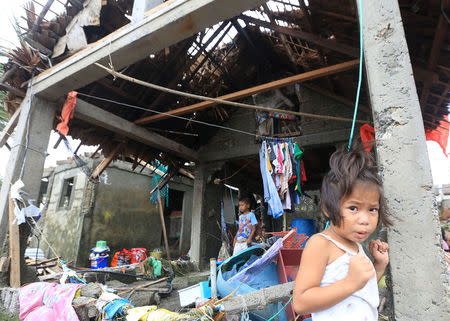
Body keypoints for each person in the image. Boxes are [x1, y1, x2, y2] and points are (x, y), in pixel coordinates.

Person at [293, 146, 392, 321]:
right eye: (353, 208)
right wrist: (350, 282)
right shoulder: (321, 244)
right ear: (327, 209)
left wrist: (379, 266)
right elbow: (301, 303)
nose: (365, 219)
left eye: (372, 209)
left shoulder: (355, 246)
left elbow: (361, 291)